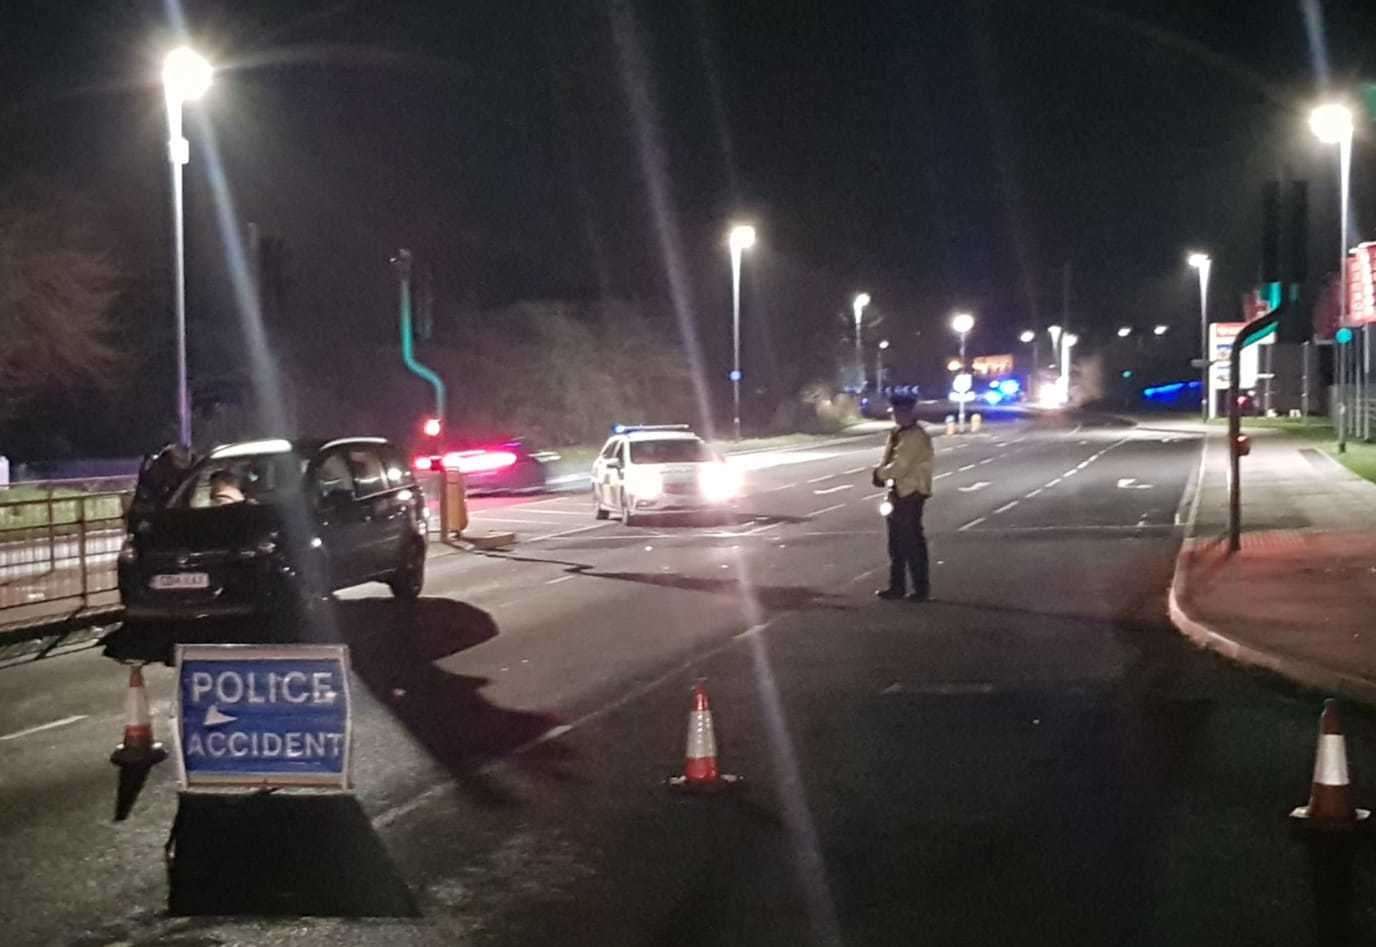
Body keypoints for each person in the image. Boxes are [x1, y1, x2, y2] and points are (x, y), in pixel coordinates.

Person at [872, 392, 933, 601]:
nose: (896, 415)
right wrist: (883, 474)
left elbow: (902, 465)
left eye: (899, 412)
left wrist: (880, 474)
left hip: (911, 492)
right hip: (898, 491)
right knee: (896, 543)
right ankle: (897, 586)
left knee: (911, 542)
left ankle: (920, 589)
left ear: (908, 412)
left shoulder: (914, 436)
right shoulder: (898, 433)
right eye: (894, 412)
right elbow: (890, 459)